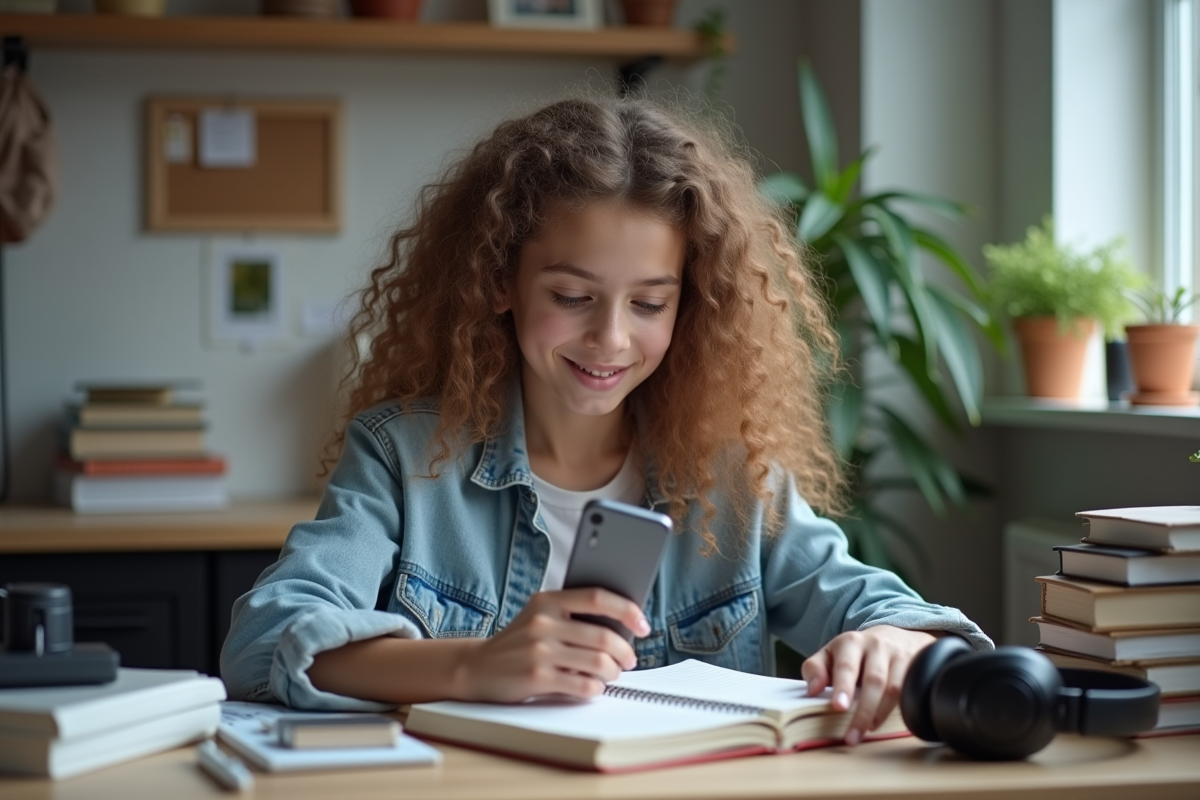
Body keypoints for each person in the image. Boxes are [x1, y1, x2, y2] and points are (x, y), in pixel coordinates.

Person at [221, 93, 992, 747]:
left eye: (650, 303)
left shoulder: (733, 476)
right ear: (500, 281)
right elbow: (268, 638)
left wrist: (897, 641)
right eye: (572, 296)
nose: (611, 339)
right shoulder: (405, 456)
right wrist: (476, 665)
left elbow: (880, 608)